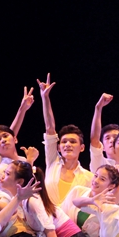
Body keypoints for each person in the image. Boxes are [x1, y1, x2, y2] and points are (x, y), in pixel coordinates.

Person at [37, 73, 95, 205]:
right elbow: (50, 128)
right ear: (58, 147)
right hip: (46, 216)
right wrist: (45, 98)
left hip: (70, 218)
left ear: (82, 147)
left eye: (73, 142)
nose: (68, 144)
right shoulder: (53, 161)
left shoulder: (88, 177)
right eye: (64, 142)